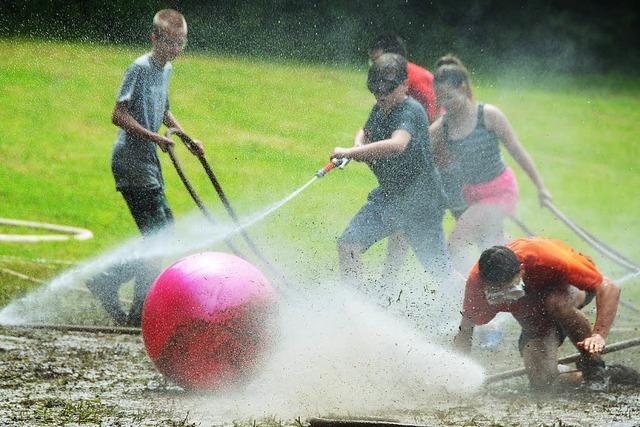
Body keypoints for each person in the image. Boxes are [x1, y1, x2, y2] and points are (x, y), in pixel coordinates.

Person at [86, 9, 203, 327]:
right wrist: (155, 138)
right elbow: (118, 114)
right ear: (155, 38)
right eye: (170, 43)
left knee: (162, 232)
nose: (176, 50)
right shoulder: (139, 68)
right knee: (159, 234)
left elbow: (163, 110)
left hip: (149, 163)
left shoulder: (166, 71)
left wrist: (187, 138)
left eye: (181, 44)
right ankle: (116, 290)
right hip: (131, 163)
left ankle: (125, 297)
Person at [332, 53, 456, 306]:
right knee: (348, 245)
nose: (380, 95)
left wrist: (351, 152)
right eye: (374, 89)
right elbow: (366, 130)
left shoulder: (410, 110)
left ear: (404, 85)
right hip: (391, 197)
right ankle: (359, 313)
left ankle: (484, 317)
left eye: (387, 89)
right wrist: (357, 145)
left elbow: (398, 144)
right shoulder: (381, 106)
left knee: (440, 271)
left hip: (420, 203)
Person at [431, 54, 552, 274]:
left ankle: (471, 292)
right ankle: (529, 276)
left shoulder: (488, 115)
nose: (444, 104)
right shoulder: (442, 127)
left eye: (449, 97)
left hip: (500, 191)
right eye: (440, 98)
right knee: (495, 248)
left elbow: (517, 151)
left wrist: (541, 187)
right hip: (472, 194)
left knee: (456, 243)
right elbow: (417, 148)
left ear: (464, 88)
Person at [453, 237, 621, 391]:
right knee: (542, 382)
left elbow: (608, 287)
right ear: (484, 283)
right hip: (533, 313)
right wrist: (458, 371)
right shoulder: (476, 285)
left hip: (569, 293)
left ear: (521, 271)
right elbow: (465, 330)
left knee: (556, 303)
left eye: (511, 290)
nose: (507, 299)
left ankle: (594, 365)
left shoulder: (545, 257)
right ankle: (608, 375)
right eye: (497, 294)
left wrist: (599, 335)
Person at [367, 36, 466, 288]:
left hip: (444, 161)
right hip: (425, 165)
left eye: (376, 60)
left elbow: (433, 123)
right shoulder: (389, 85)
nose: (373, 66)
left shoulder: (417, 83)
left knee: (467, 220)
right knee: (403, 221)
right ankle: (389, 281)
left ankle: (494, 274)